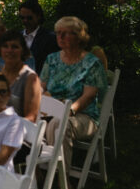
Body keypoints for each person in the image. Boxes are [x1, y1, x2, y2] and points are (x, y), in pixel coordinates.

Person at [40, 16, 107, 171]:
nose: (60, 37)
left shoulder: (91, 63)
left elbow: (88, 96)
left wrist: (67, 111)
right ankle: (36, 174)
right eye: (58, 33)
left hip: (83, 115)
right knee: (28, 119)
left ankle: (62, 181)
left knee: (58, 124)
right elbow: (40, 87)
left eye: (66, 33)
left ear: (79, 37)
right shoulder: (52, 59)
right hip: (50, 111)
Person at [0, 29, 41, 123]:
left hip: (18, 131)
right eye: (5, 46)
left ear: (23, 50)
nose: (9, 50)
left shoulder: (30, 78)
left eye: (14, 47)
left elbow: (31, 118)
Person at [19, 0, 59, 72]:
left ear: (38, 16)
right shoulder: (17, 37)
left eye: (29, 18)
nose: (25, 21)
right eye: (22, 18)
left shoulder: (50, 38)